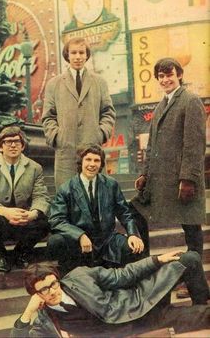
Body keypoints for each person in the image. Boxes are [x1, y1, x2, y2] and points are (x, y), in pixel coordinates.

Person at [11, 251, 210, 337]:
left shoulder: (79, 276)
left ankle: (199, 303)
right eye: (43, 290)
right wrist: (27, 313)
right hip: (141, 325)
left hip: (137, 303)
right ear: (35, 294)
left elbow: (122, 275)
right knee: (205, 315)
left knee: (189, 258)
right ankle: (198, 312)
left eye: (53, 284)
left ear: (57, 278)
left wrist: (157, 260)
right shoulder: (46, 320)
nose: (52, 291)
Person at [132, 57, 206, 257]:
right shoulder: (159, 107)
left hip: (181, 180)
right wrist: (144, 174)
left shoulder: (190, 101)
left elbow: (194, 144)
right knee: (135, 210)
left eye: (169, 75)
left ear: (179, 75)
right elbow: (151, 147)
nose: (165, 80)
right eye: (161, 76)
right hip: (161, 181)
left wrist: (188, 179)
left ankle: (195, 275)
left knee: (191, 226)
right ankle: (144, 262)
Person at [47, 145, 149, 274]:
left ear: (101, 164)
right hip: (79, 243)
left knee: (134, 247)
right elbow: (56, 220)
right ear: (80, 162)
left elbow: (125, 213)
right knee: (55, 241)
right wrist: (79, 235)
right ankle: (69, 276)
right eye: (88, 160)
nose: (92, 164)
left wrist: (133, 234)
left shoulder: (111, 184)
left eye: (96, 160)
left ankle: (124, 281)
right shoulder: (66, 188)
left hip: (107, 239)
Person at [42, 37, 116, 190]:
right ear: (67, 55)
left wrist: (100, 134)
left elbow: (108, 112)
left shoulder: (99, 82)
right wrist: (57, 137)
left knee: (95, 197)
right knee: (66, 197)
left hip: (93, 151)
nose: (78, 57)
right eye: (73, 53)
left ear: (87, 55)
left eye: (81, 52)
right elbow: (48, 116)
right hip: (65, 152)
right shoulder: (54, 84)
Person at [0, 126, 50, 272]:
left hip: (23, 220)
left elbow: (41, 196)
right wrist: (4, 211)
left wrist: (32, 214)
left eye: (17, 142)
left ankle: (20, 253)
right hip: (1, 220)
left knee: (44, 223)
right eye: (8, 142)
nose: (13, 145)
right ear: (0, 147)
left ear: (22, 146)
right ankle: (0, 254)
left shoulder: (35, 168)